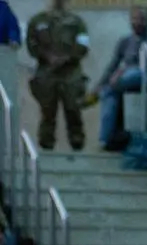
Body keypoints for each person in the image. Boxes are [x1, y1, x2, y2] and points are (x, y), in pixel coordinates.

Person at [93, 5, 147, 149]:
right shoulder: (124, 41)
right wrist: (100, 85)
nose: (139, 22)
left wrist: (121, 73)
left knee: (135, 73)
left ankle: (112, 86)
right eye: (135, 19)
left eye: (142, 19)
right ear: (130, 21)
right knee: (108, 95)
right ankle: (104, 139)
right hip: (123, 81)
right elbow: (112, 65)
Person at [26, 0, 89, 151]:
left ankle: (77, 143)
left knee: (73, 109)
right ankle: (46, 145)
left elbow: (84, 44)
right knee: (47, 111)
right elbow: (31, 43)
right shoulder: (37, 20)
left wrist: (67, 58)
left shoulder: (77, 21)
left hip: (71, 73)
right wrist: (47, 56)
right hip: (46, 72)